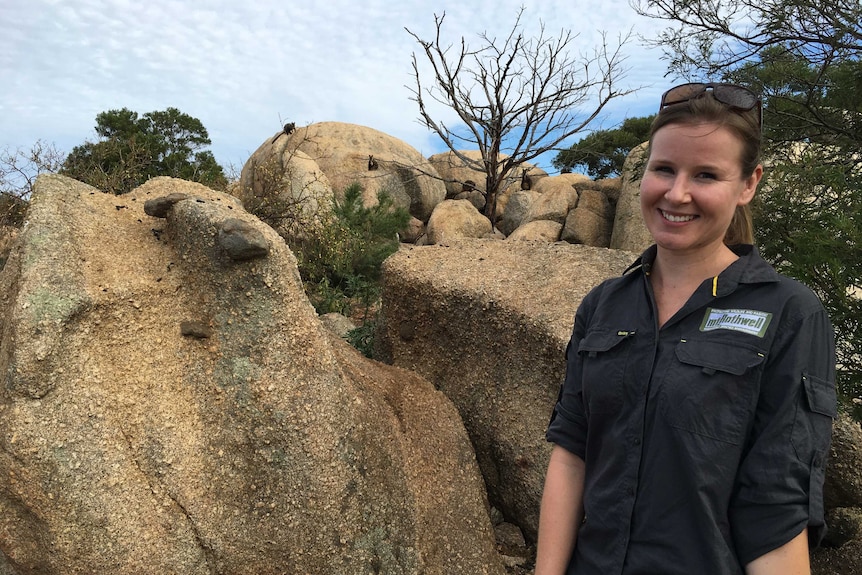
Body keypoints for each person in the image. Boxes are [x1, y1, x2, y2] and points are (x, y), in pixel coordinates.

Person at [536, 83, 837, 575]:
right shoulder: (604, 304)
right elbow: (572, 452)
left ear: (748, 184)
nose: (677, 193)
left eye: (706, 174)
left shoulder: (790, 313)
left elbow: (777, 506)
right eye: (664, 169)